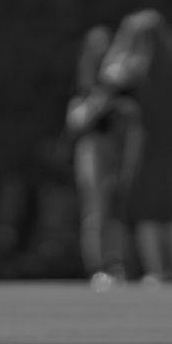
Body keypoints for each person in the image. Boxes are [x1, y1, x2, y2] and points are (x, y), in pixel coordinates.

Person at [103, 10, 172, 283]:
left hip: (144, 146)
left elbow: (108, 75)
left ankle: (156, 271)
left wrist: (122, 42)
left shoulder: (135, 68)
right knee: (170, 208)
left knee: (144, 209)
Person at [66, 25, 129, 286]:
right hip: (92, 147)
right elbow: (74, 122)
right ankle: (97, 267)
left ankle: (118, 264)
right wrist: (96, 104)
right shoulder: (85, 86)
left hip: (119, 147)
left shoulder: (121, 83)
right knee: (95, 211)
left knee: (116, 210)